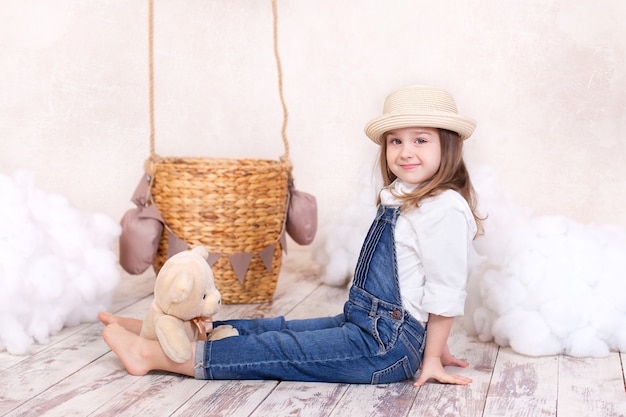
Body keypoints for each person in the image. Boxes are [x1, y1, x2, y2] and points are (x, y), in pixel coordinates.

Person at [100, 84, 483, 386]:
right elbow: (420, 285)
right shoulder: (402, 196)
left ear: (446, 145)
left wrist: (428, 355)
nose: (404, 152)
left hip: (385, 348)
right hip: (371, 325)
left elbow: (444, 290)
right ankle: (169, 331)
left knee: (284, 349)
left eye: (420, 140)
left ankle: (157, 356)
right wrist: (433, 344)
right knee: (281, 327)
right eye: (395, 141)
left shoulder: (444, 208)